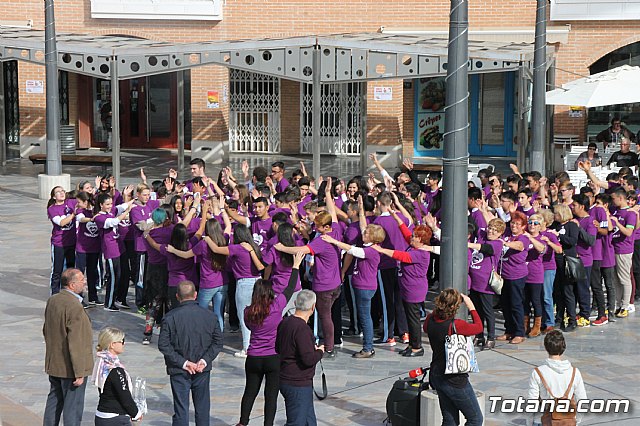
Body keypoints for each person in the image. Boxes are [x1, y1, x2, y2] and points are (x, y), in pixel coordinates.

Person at [237, 253, 304, 426]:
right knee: (271, 396)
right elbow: (290, 288)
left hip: (253, 357)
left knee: (250, 392)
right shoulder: (276, 306)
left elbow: (250, 328)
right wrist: (295, 266)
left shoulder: (247, 312)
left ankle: (243, 422)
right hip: (273, 357)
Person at [158, 280, 224, 426]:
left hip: (179, 368)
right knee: (202, 408)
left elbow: (163, 345)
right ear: (195, 295)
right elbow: (218, 342)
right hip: (201, 369)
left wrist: (184, 363)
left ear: (177, 296)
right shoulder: (210, 316)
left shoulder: (170, 317)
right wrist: (204, 360)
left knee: (181, 409)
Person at [424, 289, 483, 426]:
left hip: (436, 374)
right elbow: (479, 327)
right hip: (454, 379)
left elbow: (430, 322)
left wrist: (443, 302)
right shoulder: (456, 325)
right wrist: (471, 306)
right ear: (455, 307)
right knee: (475, 419)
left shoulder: (429, 320)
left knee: (450, 420)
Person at [43, 268, 93, 426]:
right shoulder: (74, 306)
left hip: (54, 364)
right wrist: (79, 372)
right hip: (70, 368)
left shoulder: (53, 300)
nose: (85, 282)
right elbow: (76, 341)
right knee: (73, 408)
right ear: (72, 285)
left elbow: (46, 330)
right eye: (82, 280)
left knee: (54, 402)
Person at [275, 290, 325, 426]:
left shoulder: (285, 323)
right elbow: (308, 359)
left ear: (295, 303)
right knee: (297, 422)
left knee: (309, 421)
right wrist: (319, 352)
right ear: (313, 307)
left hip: (288, 379)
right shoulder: (302, 329)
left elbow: (278, 348)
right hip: (297, 383)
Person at [527, 330, 587, 426]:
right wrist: (576, 420)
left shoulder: (538, 372)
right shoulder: (575, 372)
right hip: (567, 421)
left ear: (546, 347)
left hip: (543, 421)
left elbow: (532, 403)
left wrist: (529, 422)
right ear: (563, 347)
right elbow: (582, 401)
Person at [467, 218, 506, 350]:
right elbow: (476, 221)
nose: (491, 231)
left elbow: (485, 248)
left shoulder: (498, 243)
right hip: (474, 281)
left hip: (485, 284)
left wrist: (468, 244)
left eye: (495, 230)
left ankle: (490, 337)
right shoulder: (482, 234)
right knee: (477, 311)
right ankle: (479, 335)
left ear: (500, 233)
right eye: (490, 228)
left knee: (487, 311)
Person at [92, 327, 143, 425]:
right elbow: (124, 396)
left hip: (101, 416)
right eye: (122, 341)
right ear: (112, 344)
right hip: (115, 418)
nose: (124, 344)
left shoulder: (101, 362)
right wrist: (136, 413)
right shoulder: (115, 369)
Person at [47, 186, 77, 295]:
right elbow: (61, 223)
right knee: (57, 270)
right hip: (59, 243)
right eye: (58, 192)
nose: (61, 193)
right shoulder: (52, 209)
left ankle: (69, 293)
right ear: (54, 197)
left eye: (63, 191)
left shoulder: (70, 202)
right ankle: (55, 294)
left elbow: (83, 200)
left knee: (70, 270)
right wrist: (73, 214)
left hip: (72, 242)